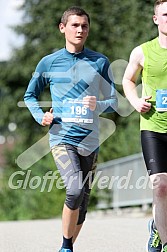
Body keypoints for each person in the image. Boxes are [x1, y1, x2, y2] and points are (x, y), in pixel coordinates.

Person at [24, 6, 117, 252]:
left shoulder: (100, 61)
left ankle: (67, 247)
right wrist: (40, 116)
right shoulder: (49, 62)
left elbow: (115, 101)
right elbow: (30, 96)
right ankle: (66, 247)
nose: (80, 30)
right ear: (62, 28)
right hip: (61, 138)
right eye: (75, 25)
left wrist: (99, 104)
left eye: (84, 26)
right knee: (74, 190)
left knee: (83, 203)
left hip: (91, 140)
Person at [122, 1, 167, 251]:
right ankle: (165, 240)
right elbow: (128, 79)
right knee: (160, 185)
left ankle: (158, 226)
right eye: (166, 14)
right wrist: (136, 101)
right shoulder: (142, 51)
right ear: (155, 19)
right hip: (153, 127)